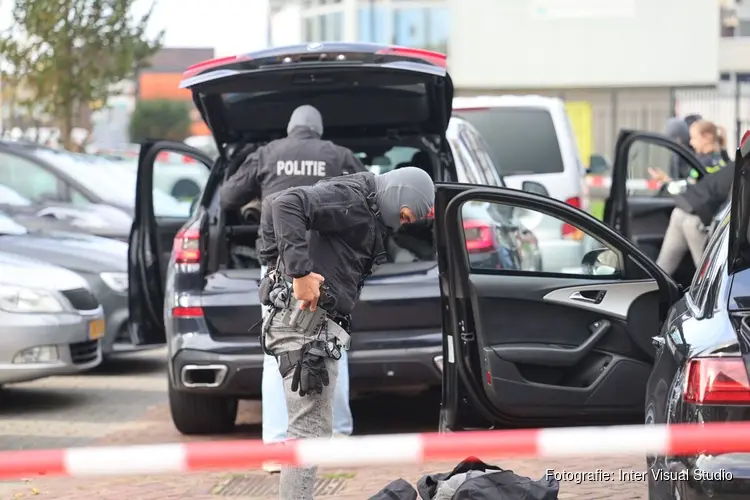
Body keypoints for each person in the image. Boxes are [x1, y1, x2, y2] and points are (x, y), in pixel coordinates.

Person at [259, 166, 434, 500]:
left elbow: (273, 202)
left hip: (313, 326)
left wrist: (272, 268)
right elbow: (284, 204)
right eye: (404, 215)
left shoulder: (363, 201)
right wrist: (297, 273)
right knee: (308, 431)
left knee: (311, 430)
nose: (401, 225)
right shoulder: (353, 199)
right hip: (305, 325)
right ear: (399, 194)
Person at [219, 104, 366, 473]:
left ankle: (276, 445)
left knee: (277, 353)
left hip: (280, 270)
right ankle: (338, 436)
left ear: (290, 128)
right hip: (327, 268)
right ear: (319, 130)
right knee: (333, 345)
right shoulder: (338, 155)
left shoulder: (267, 154)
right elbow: (370, 195)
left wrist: (259, 198)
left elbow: (227, 198)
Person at [655, 158, 734, 275]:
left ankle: (654, 282)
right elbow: (731, 207)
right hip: (698, 218)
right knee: (707, 275)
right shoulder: (742, 169)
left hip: (684, 208)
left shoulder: (736, 163)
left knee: (663, 267)